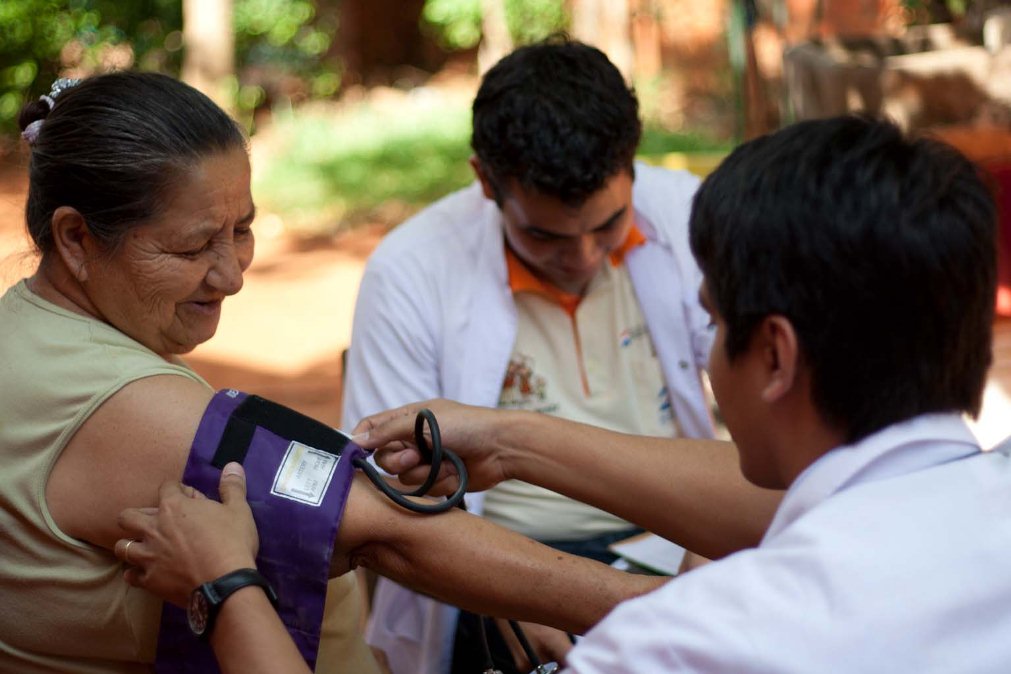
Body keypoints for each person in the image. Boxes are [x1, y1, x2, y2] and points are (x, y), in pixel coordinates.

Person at [116, 115, 1011, 672]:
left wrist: (228, 588)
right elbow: (791, 508)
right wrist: (510, 441)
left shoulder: (695, 642)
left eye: (714, 324)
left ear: (771, 355)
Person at [0, 72, 660, 673]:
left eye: (242, 230)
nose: (231, 275)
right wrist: (669, 607)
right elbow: (393, 534)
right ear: (76, 239)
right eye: (192, 246)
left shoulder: (28, 334)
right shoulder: (127, 406)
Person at [342, 36, 721, 674]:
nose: (582, 258)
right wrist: (518, 603)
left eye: (609, 226)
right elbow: (389, 497)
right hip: (502, 568)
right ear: (486, 181)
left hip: (682, 546)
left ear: (632, 163)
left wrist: (710, 559)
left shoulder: (696, 219)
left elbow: (781, 430)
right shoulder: (411, 269)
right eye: (544, 235)